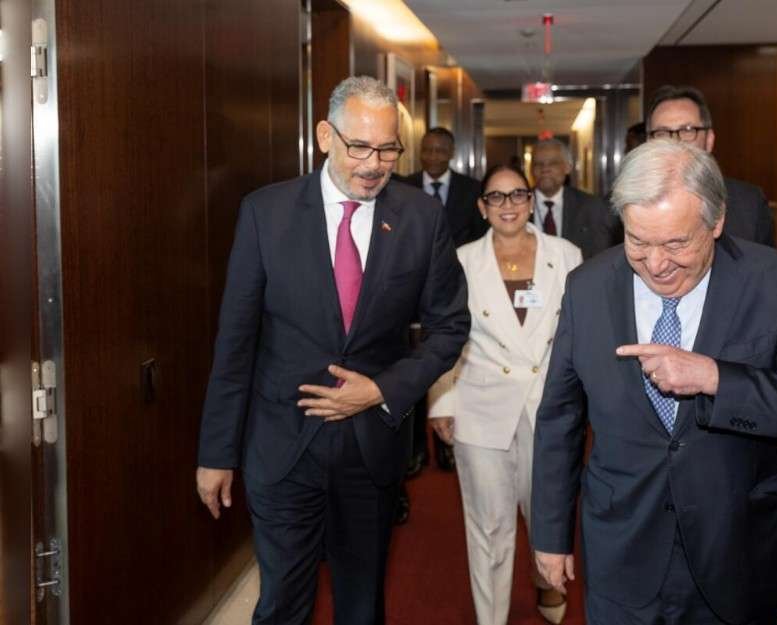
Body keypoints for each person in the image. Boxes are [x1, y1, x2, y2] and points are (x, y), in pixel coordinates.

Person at [531, 139, 777, 625]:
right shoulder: (587, 288)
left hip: (738, 549)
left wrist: (718, 378)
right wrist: (551, 535)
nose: (656, 265)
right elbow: (560, 419)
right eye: (639, 241)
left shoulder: (775, 283)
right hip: (623, 548)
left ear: (716, 221)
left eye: (676, 244)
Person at [195, 76, 470, 625]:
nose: (374, 163)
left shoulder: (420, 218)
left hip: (369, 456)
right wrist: (216, 453)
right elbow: (236, 344)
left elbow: (450, 327)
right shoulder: (264, 214)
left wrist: (381, 390)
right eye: (359, 147)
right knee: (281, 604)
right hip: (282, 448)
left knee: (361, 604)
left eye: (388, 149)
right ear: (325, 135)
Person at [427, 165, 582, 625]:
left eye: (517, 194)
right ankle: (489, 618)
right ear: (482, 207)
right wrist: (441, 400)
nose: (508, 205)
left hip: (550, 409)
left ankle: (546, 583)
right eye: (496, 197)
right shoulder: (461, 260)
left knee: (547, 515)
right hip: (481, 405)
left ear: (531, 200)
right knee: (488, 526)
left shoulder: (567, 254)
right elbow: (443, 336)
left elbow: (581, 334)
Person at [402, 126, 486, 478]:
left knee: (447, 361)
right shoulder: (402, 186)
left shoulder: (471, 190)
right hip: (410, 293)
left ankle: (447, 445)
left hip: (454, 291)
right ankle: (416, 448)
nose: (434, 157)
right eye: (428, 150)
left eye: (440, 151)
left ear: (451, 153)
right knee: (412, 369)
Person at [646, 84, 776, 246]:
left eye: (687, 130)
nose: (674, 143)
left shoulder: (749, 205)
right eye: (662, 134)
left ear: (709, 140)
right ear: (648, 143)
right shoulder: (623, 208)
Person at [530, 138, 614, 259]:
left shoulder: (591, 207)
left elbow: (602, 257)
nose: (545, 169)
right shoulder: (517, 205)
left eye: (553, 163)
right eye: (538, 164)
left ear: (568, 167)